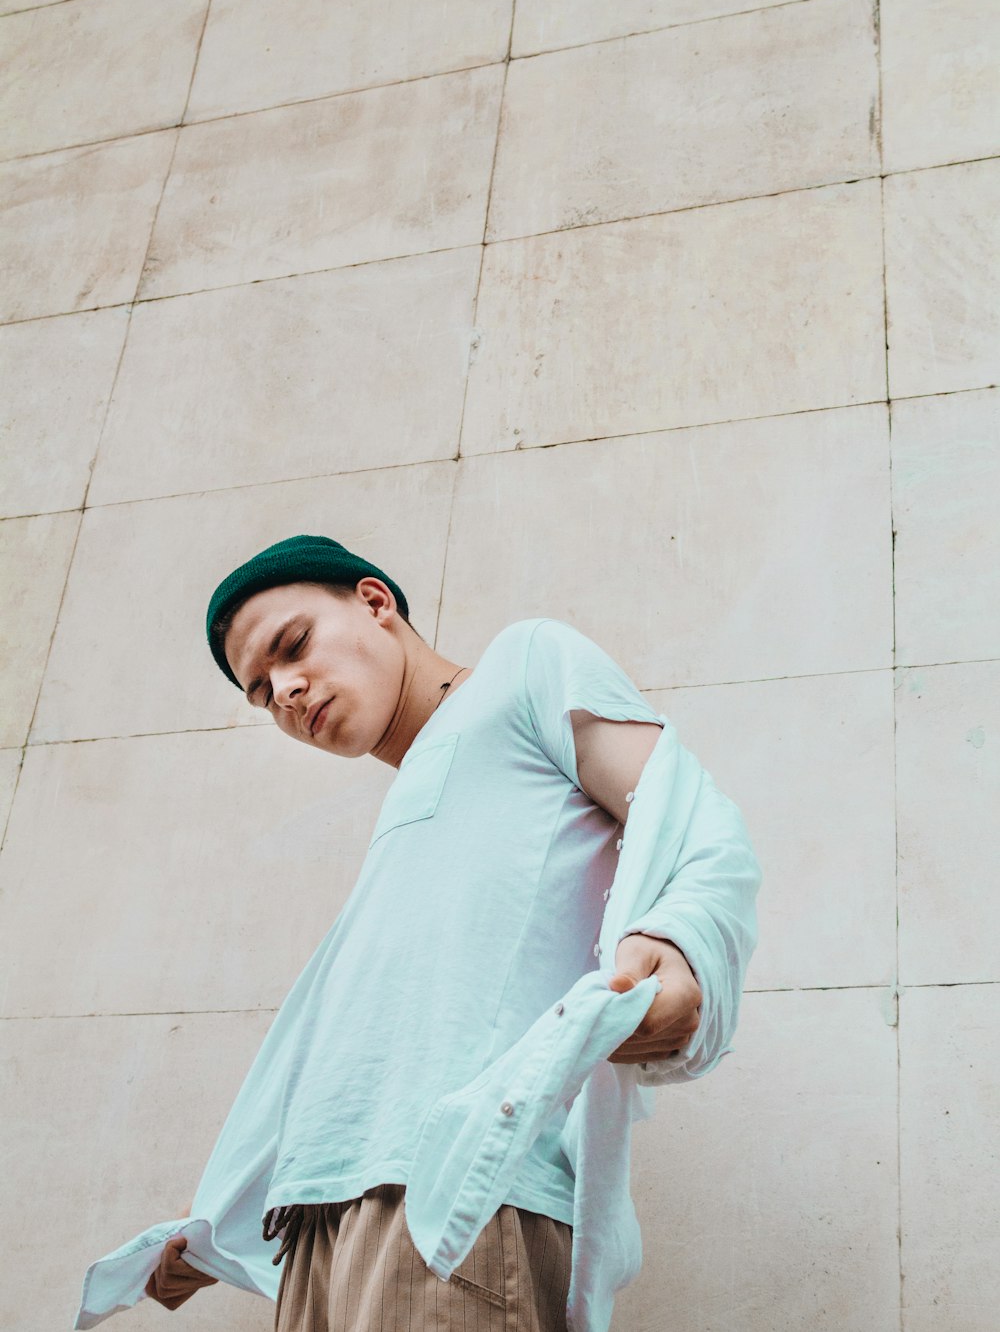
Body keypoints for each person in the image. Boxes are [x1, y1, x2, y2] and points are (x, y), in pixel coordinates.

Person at [134, 534, 761, 1332]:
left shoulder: (522, 665)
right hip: (316, 1225)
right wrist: (219, 1211)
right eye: (261, 692)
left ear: (374, 601)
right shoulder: (408, 815)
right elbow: (334, 1028)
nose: (287, 691)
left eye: (292, 648)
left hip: (452, 1202)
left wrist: (680, 956)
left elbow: (692, 820)